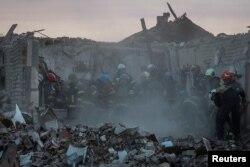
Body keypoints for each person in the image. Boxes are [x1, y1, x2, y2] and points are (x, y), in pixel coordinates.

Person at [211, 71, 242, 140]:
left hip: (230, 105)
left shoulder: (233, 86)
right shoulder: (236, 85)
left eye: (226, 79)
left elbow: (216, 98)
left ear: (230, 79)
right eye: (224, 80)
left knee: (221, 121)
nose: (225, 81)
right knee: (228, 121)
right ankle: (233, 136)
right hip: (230, 105)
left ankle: (221, 139)